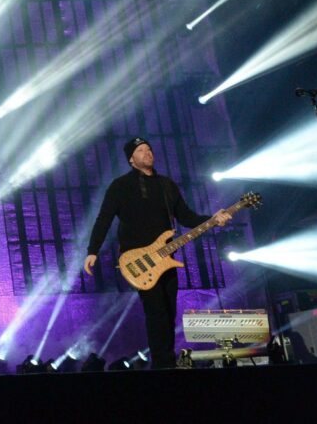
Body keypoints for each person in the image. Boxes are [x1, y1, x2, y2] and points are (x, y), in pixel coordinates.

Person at [84, 136, 231, 369]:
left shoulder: (166, 185)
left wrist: (212, 219)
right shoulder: (120, 186)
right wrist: (93, 250)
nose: (147, 152)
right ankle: (162, 366)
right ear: (131, 159)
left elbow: (186, 216)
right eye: (141, 150)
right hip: (139, 260)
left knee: (170, 312)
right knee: (156, 313)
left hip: (166, 258)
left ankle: (167, 362)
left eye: (149, 149)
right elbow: (104, 219)